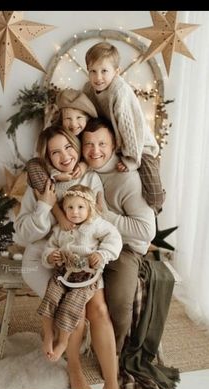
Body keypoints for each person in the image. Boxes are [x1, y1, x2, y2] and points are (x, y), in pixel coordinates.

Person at [14, 126, 131, 389]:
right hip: (53, 257)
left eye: (68, 147)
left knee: (100, 311)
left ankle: (113, 387)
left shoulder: (89, 176)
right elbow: (26, 233)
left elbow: (100, 222)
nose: (64, 156)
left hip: (86, 257)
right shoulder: (41, 184)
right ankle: (75, 367)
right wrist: (45, 203)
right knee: (76, 309)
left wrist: (98, 252)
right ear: (47, 157)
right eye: (55, 152)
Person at [81, 117, 156, 356]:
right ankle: (75, 342)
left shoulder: (127, 178)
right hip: (90, 241)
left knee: (119, 302)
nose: (95, 151)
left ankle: (114, 354)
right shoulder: (82, 169)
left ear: (113, 145)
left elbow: (146, 230)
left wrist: (105, 216)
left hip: (125, 248)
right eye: (89, 144)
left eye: (102, 144)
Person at [38, 184, 122, 362]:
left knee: (71, 306)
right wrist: (50, 256)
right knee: (50, 298)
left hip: (86, 277)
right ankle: (48, 335)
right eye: (70, 207)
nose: (75, 212)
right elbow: (50, 246)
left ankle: (63, 342)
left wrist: (102, 254)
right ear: (64, 209)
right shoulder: (60, 229)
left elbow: (114, 238)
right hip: (63, 274)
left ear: (89, 208)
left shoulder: (95, 224)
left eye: (80, 207)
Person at [83, 42, 165, 214]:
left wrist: (131, 160)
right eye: (93, 71)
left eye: (104, 71)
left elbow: (130, 130)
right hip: (117, 144)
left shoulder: (119, 92)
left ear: (116, 71)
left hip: (140, 146)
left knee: (154, 197)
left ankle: (155, 205)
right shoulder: (88, 89)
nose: (98, 77)